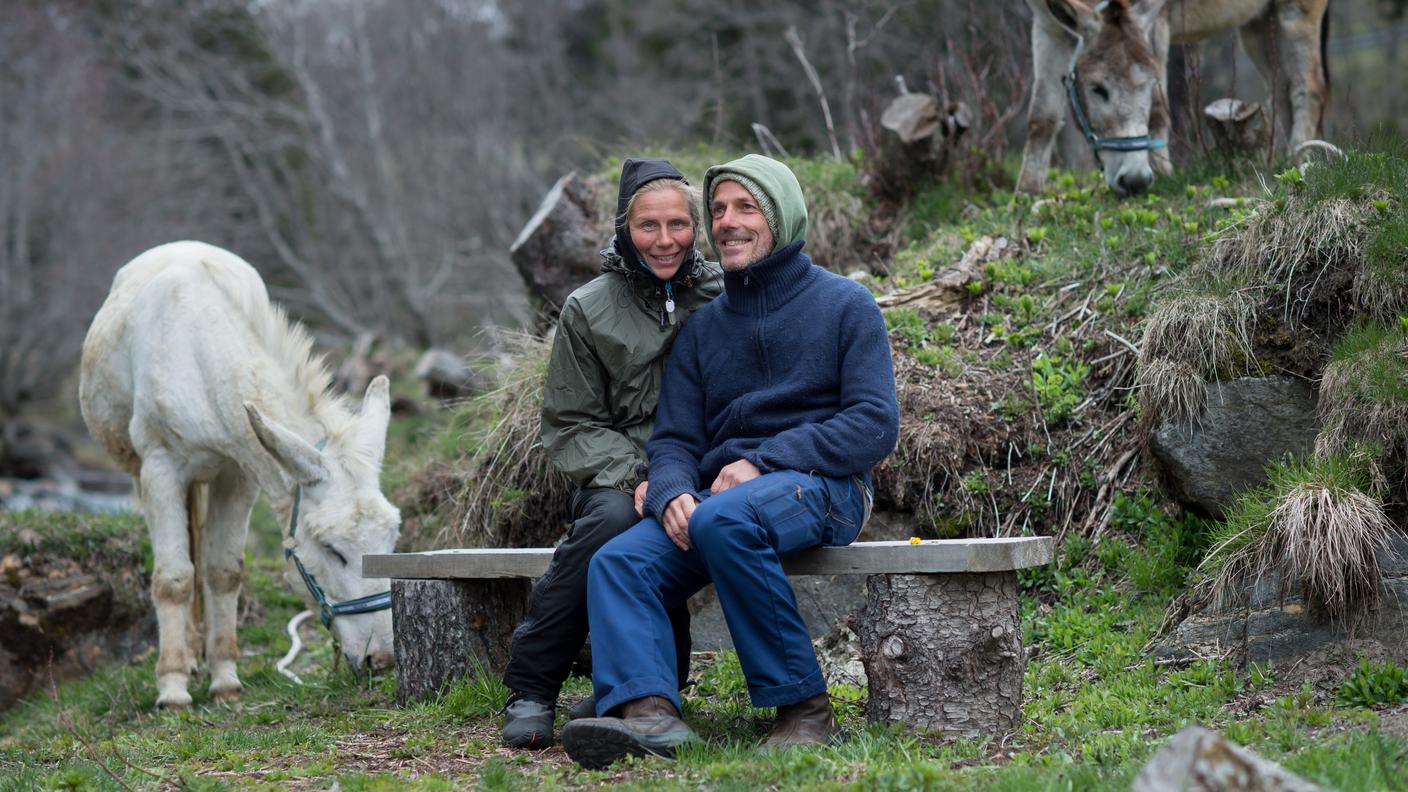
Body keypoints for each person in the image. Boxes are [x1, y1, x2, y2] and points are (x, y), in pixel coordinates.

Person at [561, 154, 900, 769]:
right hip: (726, 500)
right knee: (620, 561)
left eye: (746, 208)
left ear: (781, 217)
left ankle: (804, 708)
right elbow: (674, 439)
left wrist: (766, 462)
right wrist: (668, 490)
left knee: (724, 520)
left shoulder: (846, 304)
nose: (727, 222)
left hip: (826, 487)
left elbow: (874, 424)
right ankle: (649, 711)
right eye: (717, 210)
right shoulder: (704, 330)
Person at [499, 158, 723, 749]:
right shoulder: (588, 308)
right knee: (614, 522)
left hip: (708, 467)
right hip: (619, 471)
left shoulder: (723, 295)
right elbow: (572, 423)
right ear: (624, 227)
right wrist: (638, 477)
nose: (666, 240)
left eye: (678, 224)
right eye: (649, 226)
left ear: (695, 226)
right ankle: (532, 686)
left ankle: (639, 688)